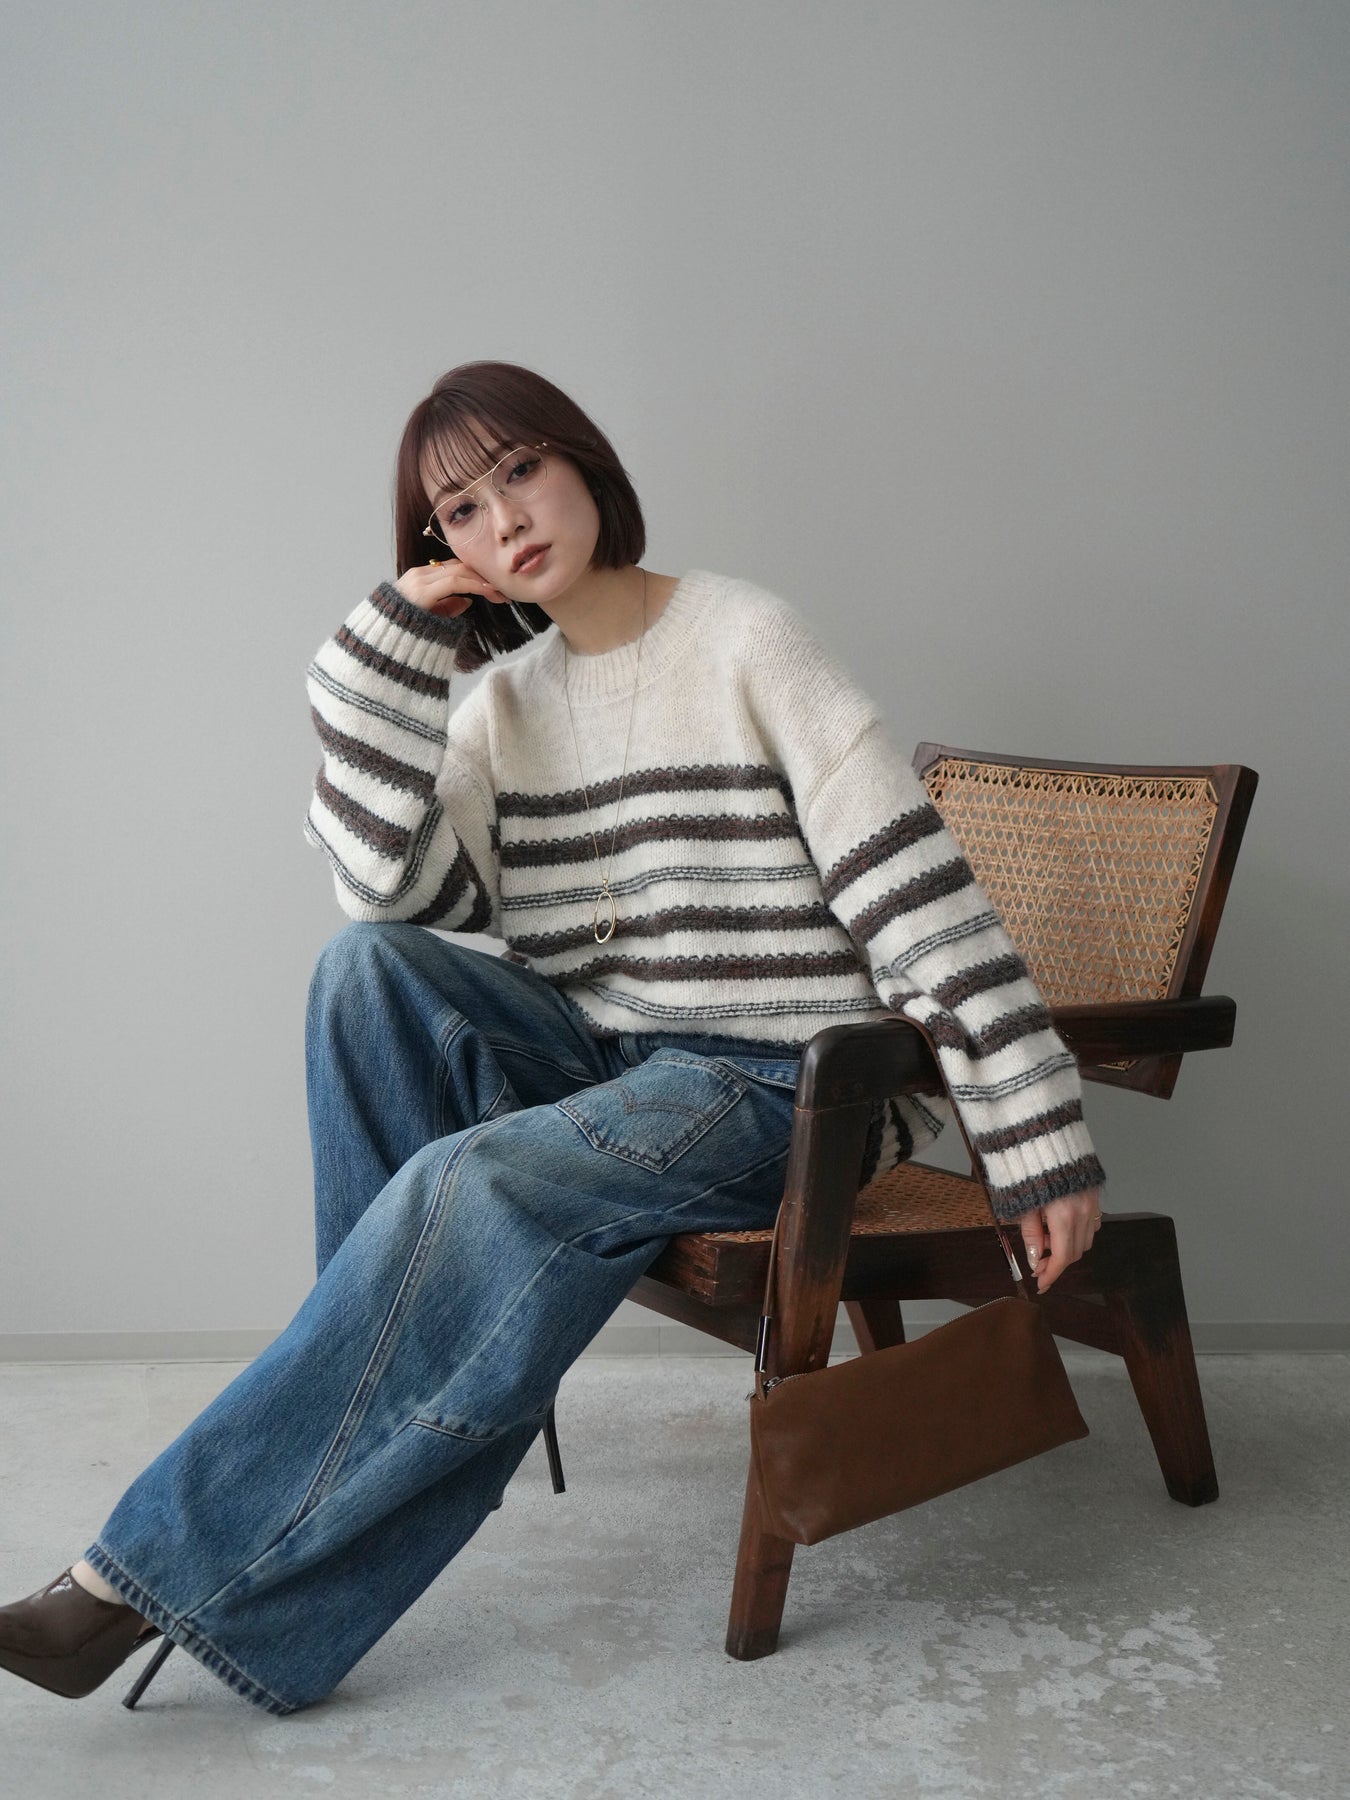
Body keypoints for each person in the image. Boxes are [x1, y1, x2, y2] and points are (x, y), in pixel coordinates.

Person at [0, 360, 1105, 1716]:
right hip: (615, 1064)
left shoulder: (747, 638)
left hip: (783, 1087)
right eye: (460, 511)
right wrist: (386, 657)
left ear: (582, 461)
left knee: (471, 1183)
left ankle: (127, 1583)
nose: (505, 519)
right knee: (365, 972)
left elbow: (912, 893)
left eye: (520, 470)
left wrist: (1036, 1138)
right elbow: (388, 890)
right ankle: (364, 1429)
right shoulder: (504, 705)